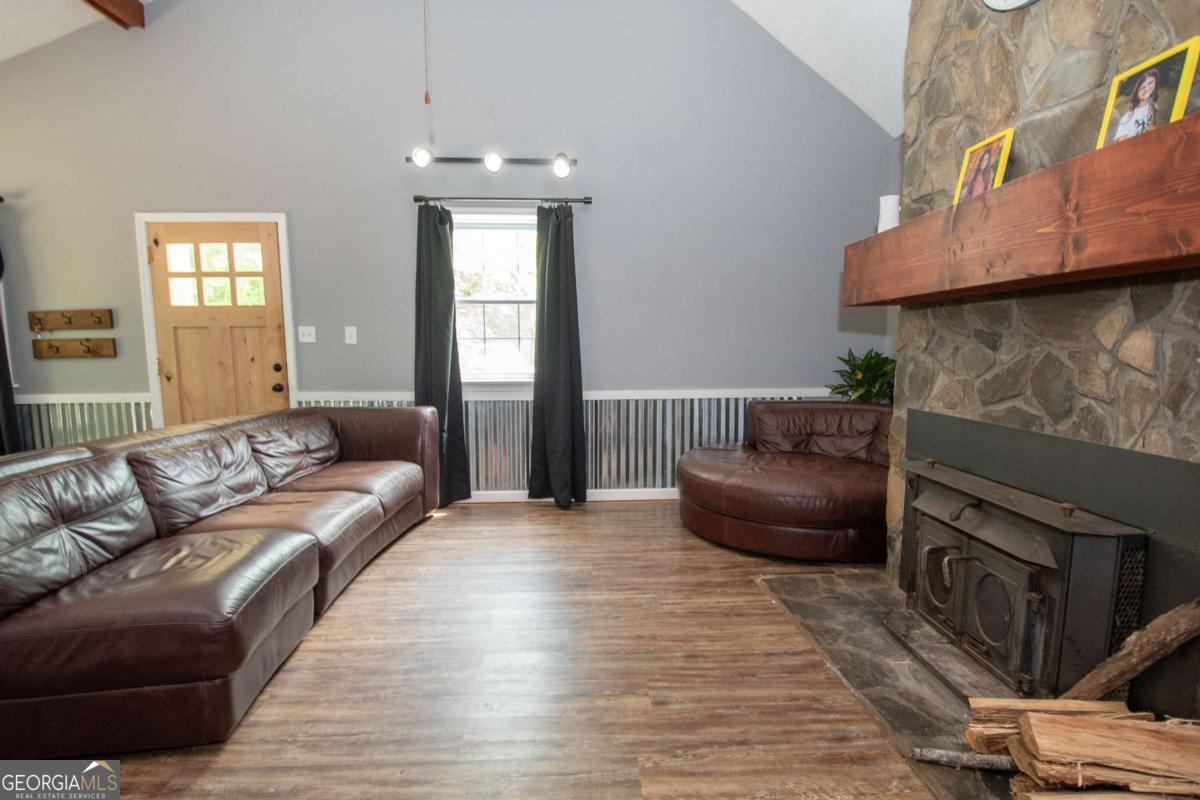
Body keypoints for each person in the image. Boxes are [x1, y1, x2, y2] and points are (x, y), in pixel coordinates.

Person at [1113, 68, 1159, 142]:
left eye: (1150, 83)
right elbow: (1121, 142)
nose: (1146, 89)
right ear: (1137, 94)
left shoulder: (1153, 107)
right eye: (1142, 88)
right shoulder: (1126, 117)